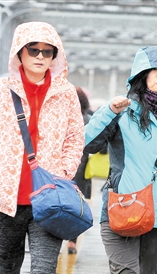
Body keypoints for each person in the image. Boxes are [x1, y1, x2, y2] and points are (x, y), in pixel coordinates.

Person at [0, 21, 84, 274]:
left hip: (50, 200)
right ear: (19, 52)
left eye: (47, 51)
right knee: (5, 273)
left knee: (43, 273)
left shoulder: (66, 94)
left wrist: (63, 172)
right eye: (33, 50)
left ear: (56, 55)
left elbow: (75, 138)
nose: (40, 56)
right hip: (4, 201)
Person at [84, 46, 157, 274]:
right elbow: (88, 143)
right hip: (123, 208)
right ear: (142, 76)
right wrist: (108, 112)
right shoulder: (121, 111)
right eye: (155, 70)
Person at [67, 85, 93, 254]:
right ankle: (72, 241)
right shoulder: (88, 120)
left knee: (58, 203)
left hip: (61, 170)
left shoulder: (61, 118)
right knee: (77, 207)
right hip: (81, 170)